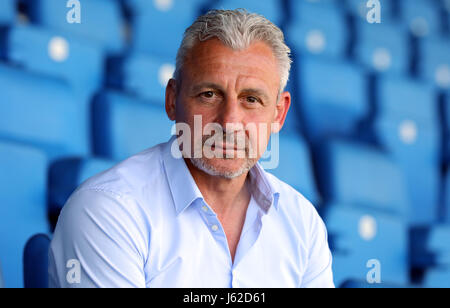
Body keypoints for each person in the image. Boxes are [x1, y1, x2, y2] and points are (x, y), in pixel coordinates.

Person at [49, 9, 334, 288]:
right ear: (172, 100)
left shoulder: (302, 223)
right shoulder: (107, 210)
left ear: (278, 114)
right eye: (209, 95)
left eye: (251, 99)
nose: (229, 122)